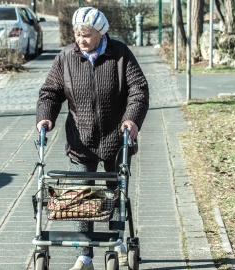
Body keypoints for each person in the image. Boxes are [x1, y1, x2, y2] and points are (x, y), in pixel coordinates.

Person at [36, 6, 149, 270]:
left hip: (116, 137)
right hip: (80, 139)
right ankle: (84, 256)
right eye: (77, 33)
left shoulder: (120, 54)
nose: (81, 39)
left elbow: (139, 90)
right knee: (81, 198)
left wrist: (132, 119)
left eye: (86, 34)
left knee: (115, 193)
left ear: (101, 33)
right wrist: (45, 116)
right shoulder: (66, 57)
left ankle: (117, 243)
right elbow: (50, 92)